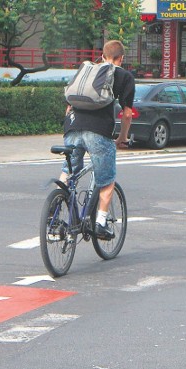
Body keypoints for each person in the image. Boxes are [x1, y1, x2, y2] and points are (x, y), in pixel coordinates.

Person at [60, 40, 135, 240]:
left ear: (102, 56)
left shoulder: (86, 71)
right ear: (121, 58)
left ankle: (56, 206)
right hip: (99, 132)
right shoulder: (124, 76)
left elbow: (68, 106)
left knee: (68, 171)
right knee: (107, 181)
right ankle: (100, 223)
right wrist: (121, 138)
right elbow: (127, 114)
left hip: (72, 128)